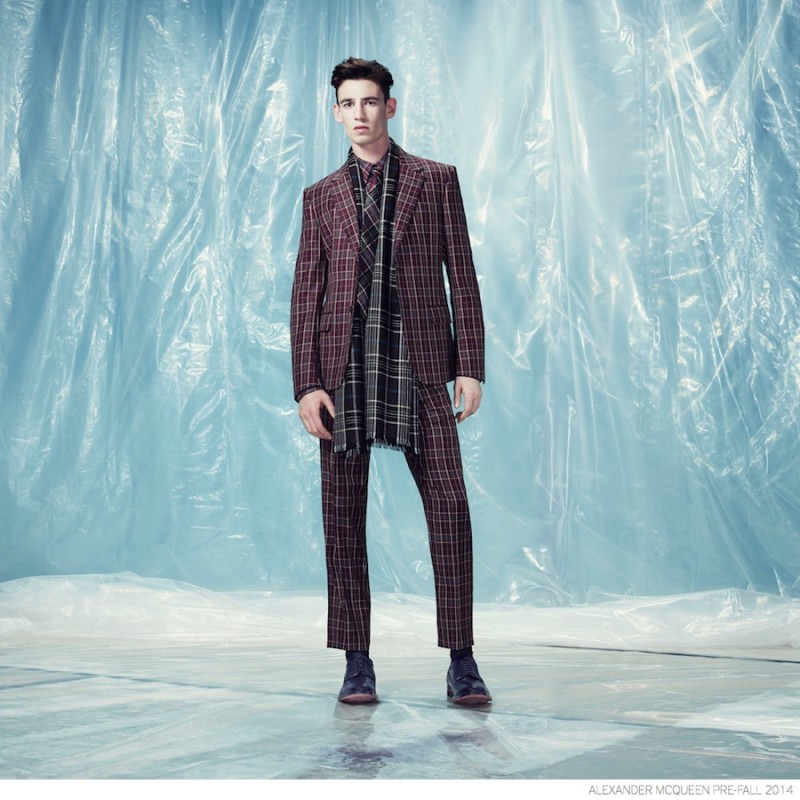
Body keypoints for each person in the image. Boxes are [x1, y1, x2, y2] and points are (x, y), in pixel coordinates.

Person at [290, 57, 490, 706]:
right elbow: (306, 294)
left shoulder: (437, 180)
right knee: (342, 518)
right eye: (348, 103)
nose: (360, 113)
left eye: (370, 102)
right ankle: (356, 662)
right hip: (343, 372)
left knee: (450, 509)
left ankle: (462, 659)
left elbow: (462, 275)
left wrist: (470, 365)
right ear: (336, 112)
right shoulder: (320, 197)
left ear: (390, 107)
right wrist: (306, 384)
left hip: (422, 365)